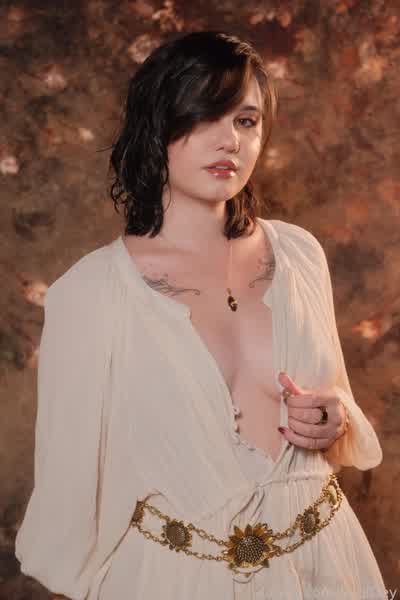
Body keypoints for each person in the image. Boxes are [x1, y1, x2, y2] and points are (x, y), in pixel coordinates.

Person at [15, 30, 386, 600]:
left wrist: (335, 418)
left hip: (327, 566)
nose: (230, 140)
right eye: (207, 114)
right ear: (157, 125)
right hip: (175, 579)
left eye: (246, 121)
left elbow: (336, 406)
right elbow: (68, 500)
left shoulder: (300, 255)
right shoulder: (89, 293)